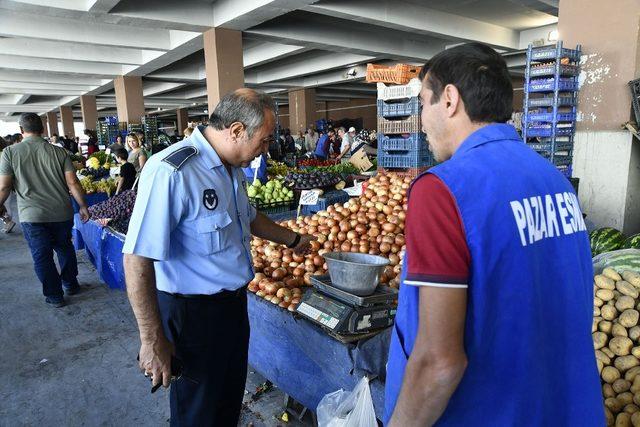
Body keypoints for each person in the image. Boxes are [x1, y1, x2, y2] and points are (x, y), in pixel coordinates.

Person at [384, 43, 604, 427]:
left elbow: (440, 361)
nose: (421, 121)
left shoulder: (442, 190)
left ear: (449, 99)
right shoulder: (554, 180)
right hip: (560, 408)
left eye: (423, 103)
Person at [122, 89, 314, 426]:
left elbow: (248, 217)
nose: (266, 150)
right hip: (192, 317)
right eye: (265, 140)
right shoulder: (173, 171)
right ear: (237, 130)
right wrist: (152, 340)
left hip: (232, 309)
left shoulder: (230, 168)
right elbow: (137, 258)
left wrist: (293, 238)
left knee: (226, 404)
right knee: (198, 414)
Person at [0, 113, 90, 308]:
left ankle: (55, 295)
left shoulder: (9, 153)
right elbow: (73, 182)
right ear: (42, 129)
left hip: (32, 215)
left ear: (21, 130)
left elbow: (4, 187)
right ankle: (70, 284)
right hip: (61, 212)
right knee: (65, 248)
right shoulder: (59, 152)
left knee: (42, 255)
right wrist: (83, 206)